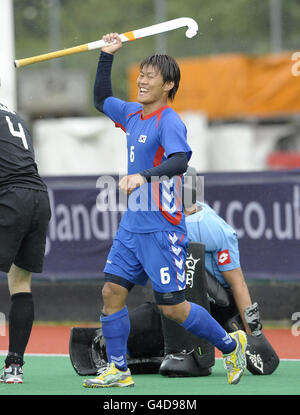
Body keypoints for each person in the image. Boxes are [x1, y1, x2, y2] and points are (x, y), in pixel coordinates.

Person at [83, 33, 247, 388]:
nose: (142, 80)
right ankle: (118, 369)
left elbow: (180, 160)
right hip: (132, 226)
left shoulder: (169, 120)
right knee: (111, 292)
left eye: (150, 76)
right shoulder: (131, 113)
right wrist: (106, 56)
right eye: (140, 74)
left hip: (163, 227)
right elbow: (100, 98)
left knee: (172, 307)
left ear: (168, 84)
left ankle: (231, 345)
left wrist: (144, 176)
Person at [0, 91, 51, 384]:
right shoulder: (15, 118)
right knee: (20, 283)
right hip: (38, 198)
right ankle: (14, 367)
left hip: (11, 197)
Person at [184, 199, 255, 334]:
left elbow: (238, 284)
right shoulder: (161, 218)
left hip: (219, 305)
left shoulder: (211, 227)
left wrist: (252, 334)